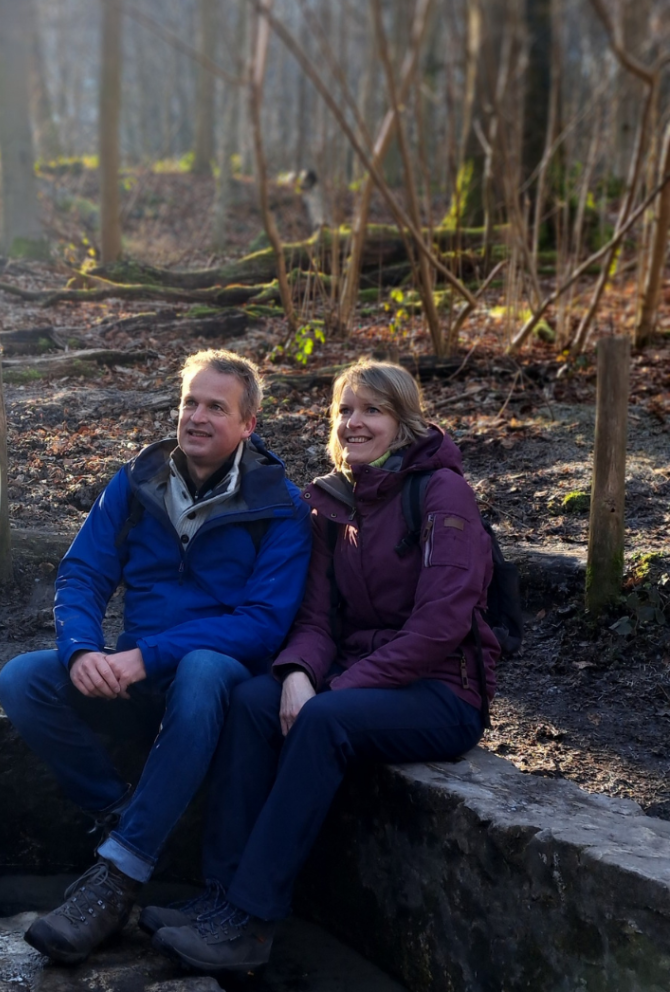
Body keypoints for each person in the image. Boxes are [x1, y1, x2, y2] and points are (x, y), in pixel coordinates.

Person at [149, 360, 500, 972]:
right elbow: (314, 619)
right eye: (344, 410)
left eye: (372, 411)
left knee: (322, 721)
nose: (354, 423)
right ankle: (220, 896)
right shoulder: (334, 501)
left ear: (403, 422)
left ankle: (251, 924)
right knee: (255, 701)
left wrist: (332, 687)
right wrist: (298, 675)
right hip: (357, 682)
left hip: (443, 692)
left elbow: (440, 625)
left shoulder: (443, 493)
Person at [0, 349, 311, 965]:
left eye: (216, 407)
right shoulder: (138, 482)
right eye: (189, 402)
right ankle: (122, 814)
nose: (196, 416)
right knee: (22, 679)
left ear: (249, 425)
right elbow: (83, 573)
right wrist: (83, 648)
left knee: (199, 668)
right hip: (138, 678)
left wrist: (149, 655)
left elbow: (262, 625)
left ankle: (117, 880)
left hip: (215, 686)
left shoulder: (281, 506)